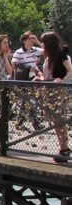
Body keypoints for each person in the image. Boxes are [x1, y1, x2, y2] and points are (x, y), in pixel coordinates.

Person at [34, 32, 72, 162]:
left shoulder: (61, 55)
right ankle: (63, 148)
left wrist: (61, 80)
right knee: (55, 120)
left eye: (43, 43)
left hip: (59, 91)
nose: (42, 45)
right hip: (50, 91)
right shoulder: (48, 58)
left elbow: (70, 71)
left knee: (59, 119)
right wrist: (39, 78)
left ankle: (65, 148)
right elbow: (47, 77)